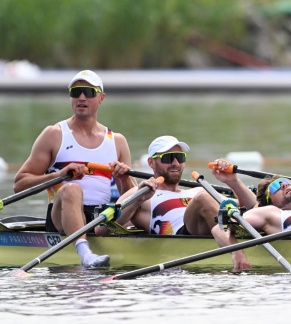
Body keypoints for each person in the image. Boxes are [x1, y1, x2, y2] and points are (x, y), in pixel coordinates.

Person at [13, 70, 136, 268]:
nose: (81, 97)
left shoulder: (117, 141)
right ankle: (85, 253)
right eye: (76, 92)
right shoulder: (54, 134)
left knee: (141, 194)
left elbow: (130, 196)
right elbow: (19, 183)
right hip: (61, 214)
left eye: (88, 92)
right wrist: (59, 175)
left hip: (99, 218)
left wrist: (123, 179)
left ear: (101, 98)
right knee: (71, 188)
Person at [94, 137, 256, 257]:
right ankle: (239, 249)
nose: (175, 163)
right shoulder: (143, 192)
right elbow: (101, 229)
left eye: (180, 158)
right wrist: (138, 200)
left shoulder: (195, 190)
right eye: (168, 158)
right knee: (204, 198)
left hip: (215, 226)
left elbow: (252, 208)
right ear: (151, 163)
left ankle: (239, 235)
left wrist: (234, 182)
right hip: (181, 234)